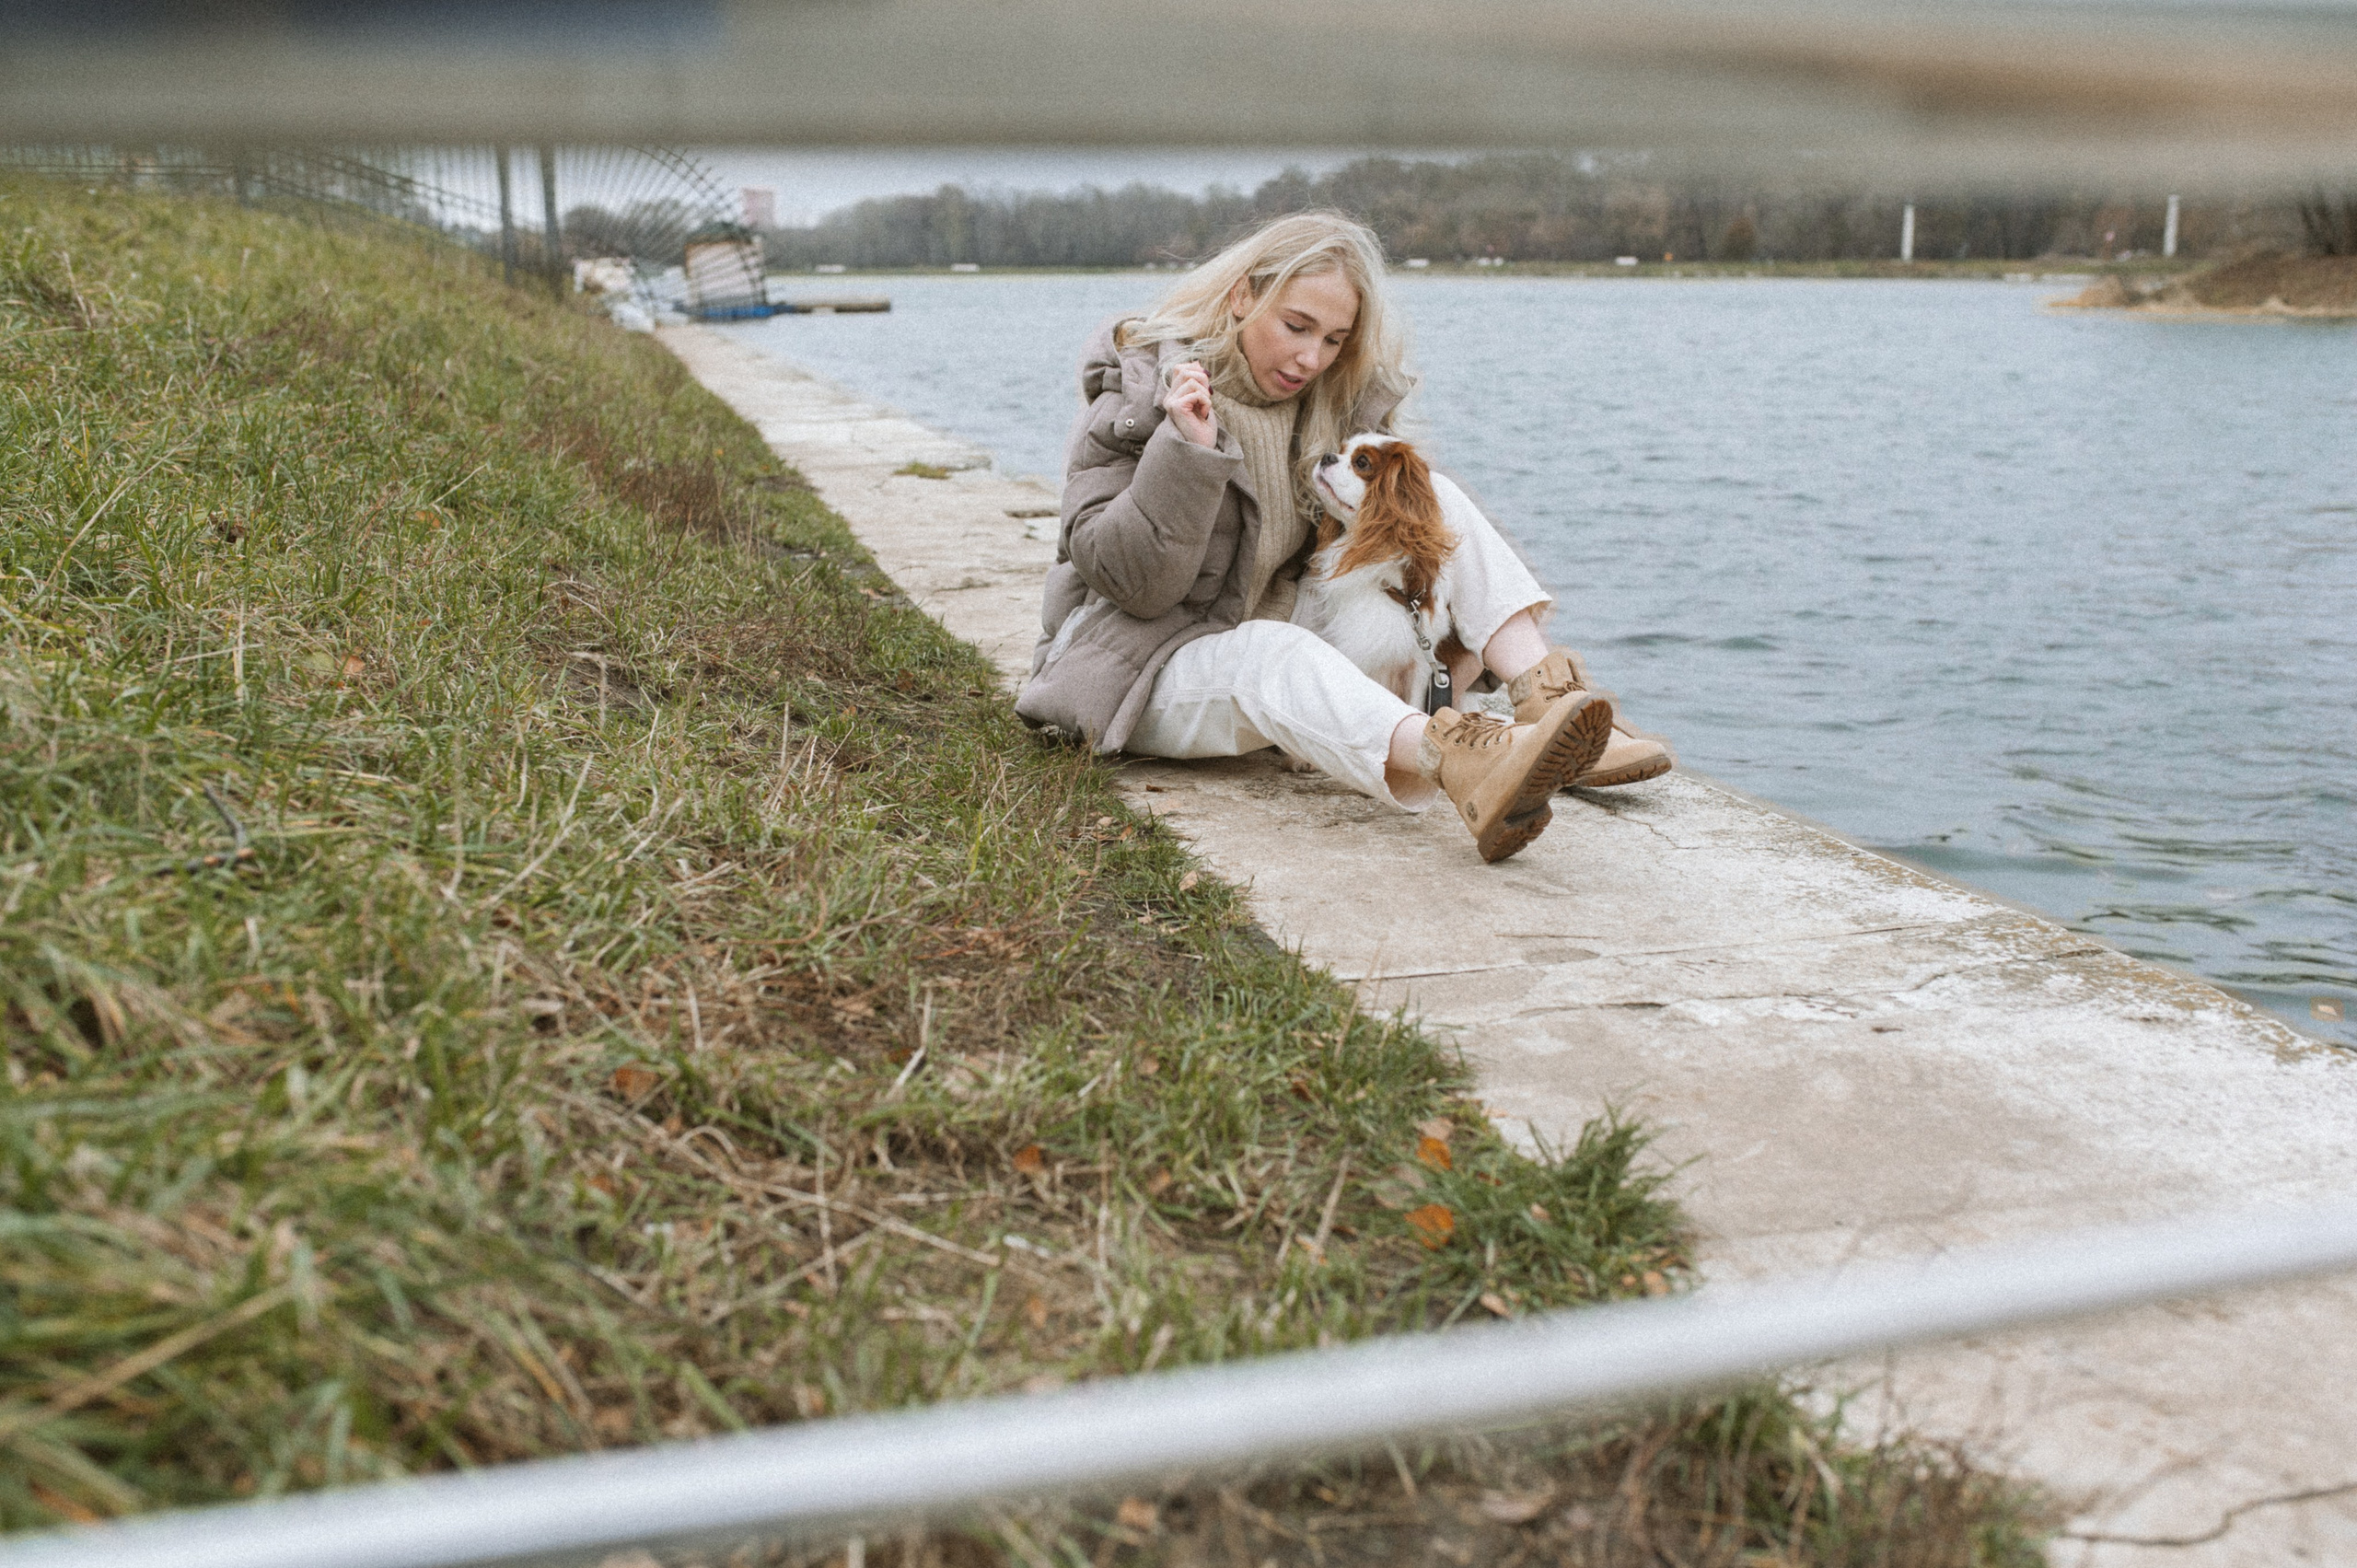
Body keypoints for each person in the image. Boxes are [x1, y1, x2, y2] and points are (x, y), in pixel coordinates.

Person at [1015, 212, 1673, 863]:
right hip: (1141, 663)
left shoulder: (1328, 404)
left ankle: (1542, 696)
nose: (1311, 357)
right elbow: (1134, 585)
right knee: (1271, 651)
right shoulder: (1137, 394)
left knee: (1432, 497)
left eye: (1334, 339)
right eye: (1296, 326)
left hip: (1276, 636)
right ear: (1243, 295)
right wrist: (1185, 453)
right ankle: (1460, 760)